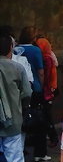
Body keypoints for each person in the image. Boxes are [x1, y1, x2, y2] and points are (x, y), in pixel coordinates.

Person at [15, 26, 48, 162]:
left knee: (21, 119)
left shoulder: (16, 49)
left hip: (18, 89)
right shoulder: (35, 50)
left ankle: (20, 148)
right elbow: (40, 71)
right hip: (34, 88)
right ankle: (39, 152)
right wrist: (41, 85)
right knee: (39, 120)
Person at [0, 34, 32, 162]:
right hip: (13, 119)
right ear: (11, 47)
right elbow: (27, 93)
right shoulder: (17, 68)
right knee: (15, 157)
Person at [35, 36, 59, 150]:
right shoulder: (49, 57)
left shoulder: (46, 59)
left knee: (46, 116)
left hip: (46, 91)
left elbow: (46, 75)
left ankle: (53, 137)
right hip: (49, 90)